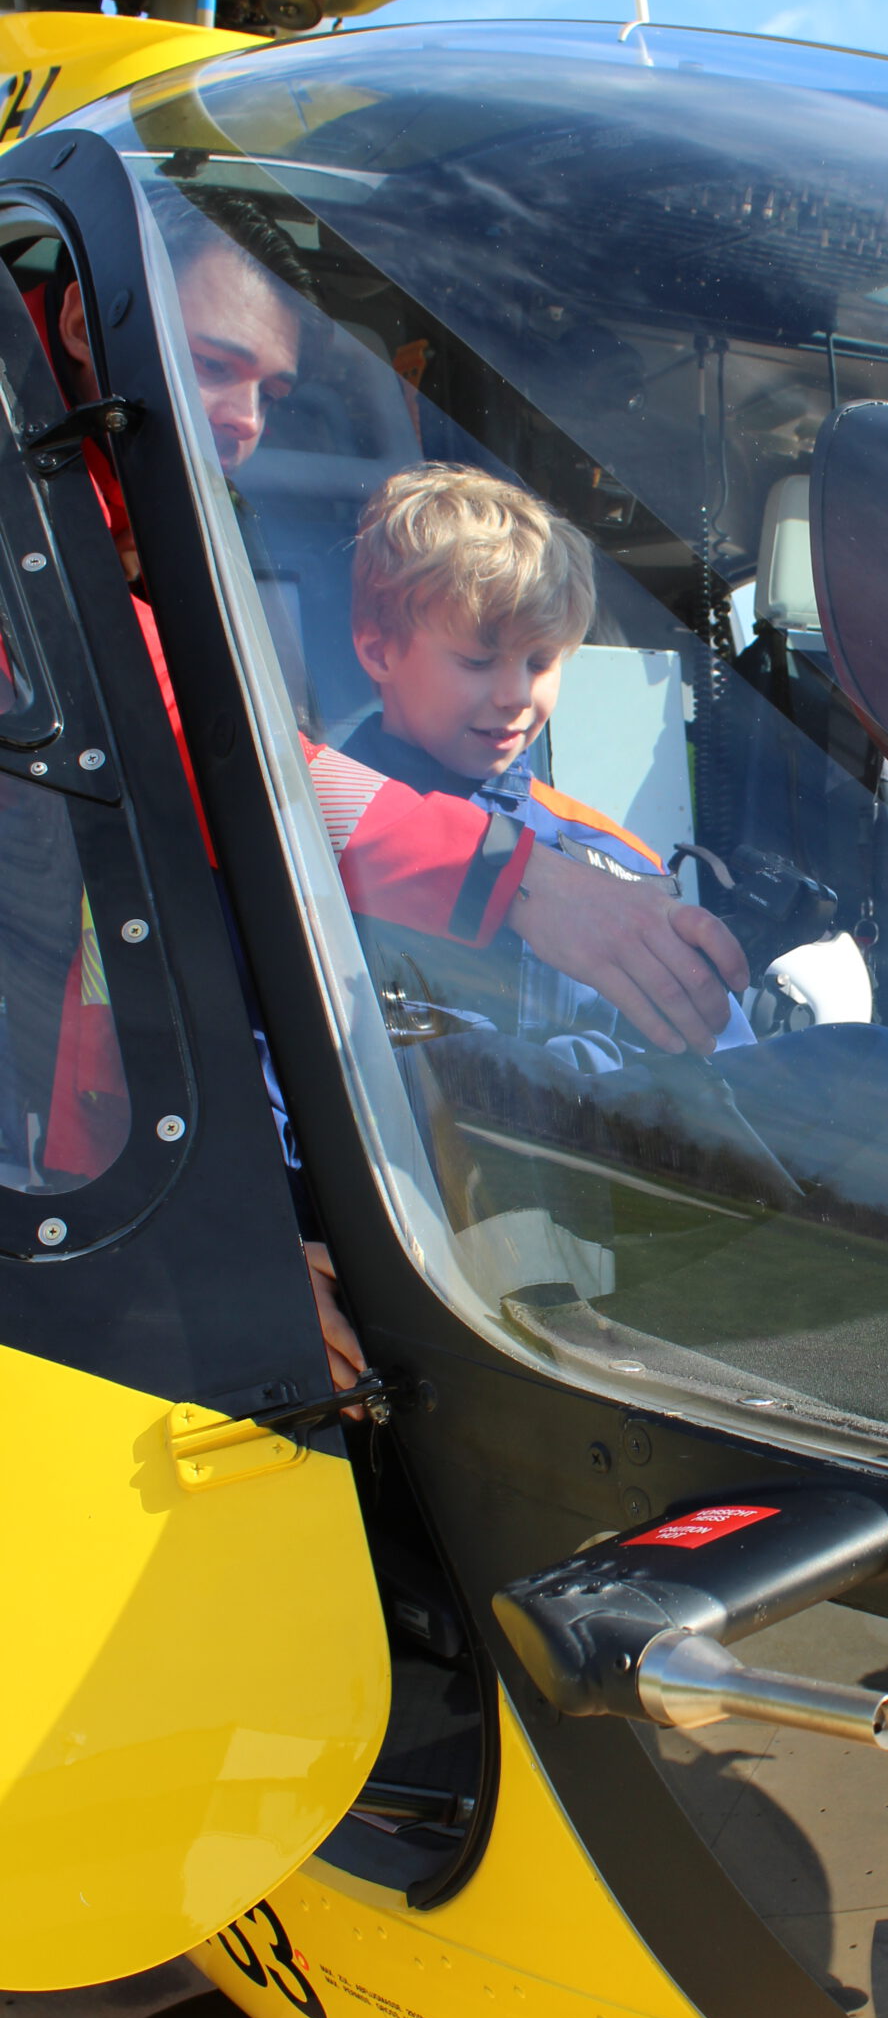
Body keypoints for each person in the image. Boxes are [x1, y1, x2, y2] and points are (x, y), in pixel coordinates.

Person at [22, 192, 750, 1379]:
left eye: (271, 390)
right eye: (211, 365)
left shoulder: (120, 510)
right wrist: (521, 886)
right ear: (72, 325)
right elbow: (184, 742)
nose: (242, 420)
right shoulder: (35, 531)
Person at [342, 462, 888, 1194]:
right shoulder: (307, 828)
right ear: (378, 649)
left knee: (878, 1066)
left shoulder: (607, 856)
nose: (515, 695)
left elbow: (710, 1056)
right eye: (477, 660)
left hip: (609, 1166)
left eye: (540, 661)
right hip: (418, 1184)